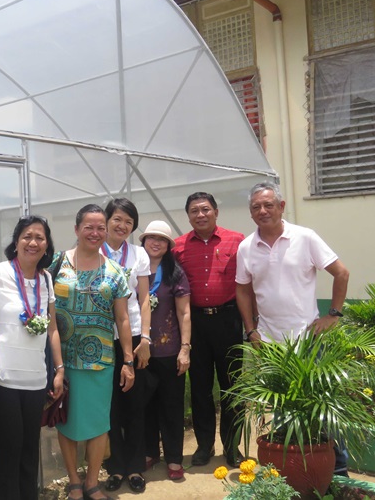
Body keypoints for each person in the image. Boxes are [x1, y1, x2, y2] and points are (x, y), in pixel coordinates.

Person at [235, 180, 350, 475]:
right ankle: (296, 469)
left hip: (308, 339)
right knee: (284, 408)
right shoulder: (247, 247)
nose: (263, 211)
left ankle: (337, 470)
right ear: (250, 213)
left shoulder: (305, 237)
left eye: (268, 205)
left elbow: (341, 272)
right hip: (271, 344)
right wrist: (251, 330)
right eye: (256, 207)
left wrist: (333, 315)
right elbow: (243, 291)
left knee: (321, 404)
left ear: (281, 206)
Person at [53, 204, 135, 500]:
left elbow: (123, 319)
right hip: (63, 360)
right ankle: (74, 481)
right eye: (89, 226)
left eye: (101, 227)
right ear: (76, 229)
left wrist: (128, 360)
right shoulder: (56, 264)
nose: (95, 232)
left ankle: (91, 482)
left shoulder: (114, 272)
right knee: (67, 420)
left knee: (99, 423)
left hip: (101, 360)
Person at [0, 216, 65, 500]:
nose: (33, 242)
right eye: (27, 236)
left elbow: (52, 328)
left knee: (30, 449)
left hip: (36, 381)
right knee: (8, 449)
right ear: (16, 241)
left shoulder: (45, 279)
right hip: (3, 380)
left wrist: (59, 369)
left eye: (40, 238)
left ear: (47, 245)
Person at [172, 192, 245, 468]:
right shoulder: (177, 247)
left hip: (228, 320)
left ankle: (232, 446)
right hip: (195, 324)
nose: (200, 215)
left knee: (232, 388)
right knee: (201, 388)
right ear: (188, 216)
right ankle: (204, 446)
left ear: (216, 211)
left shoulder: (236, 240)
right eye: (194, 211)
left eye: (205, 209)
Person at [102, 198, 152, 493]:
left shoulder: (138, 254)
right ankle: (115, 466)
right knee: (109, 406)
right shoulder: (92, 251)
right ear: (106, 220)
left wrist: (145, 337)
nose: (122, 226)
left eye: (128, 222)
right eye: (117, 219)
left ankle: (135, 467)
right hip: (100, 337)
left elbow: (144, 298)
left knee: (135, 403)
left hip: (132, 334)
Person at [139, 220, 191, 481]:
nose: (155, 243)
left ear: (169, 246)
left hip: (170, 351)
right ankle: (149, 453)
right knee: (145, 405)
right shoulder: (133, 270)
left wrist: (185, 349)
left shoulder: (175, 273)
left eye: (161, 239)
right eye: (151, 238)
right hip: (141, 350)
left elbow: (184, 312)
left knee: (171, 407)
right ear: (143, 241)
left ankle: (174, 458)